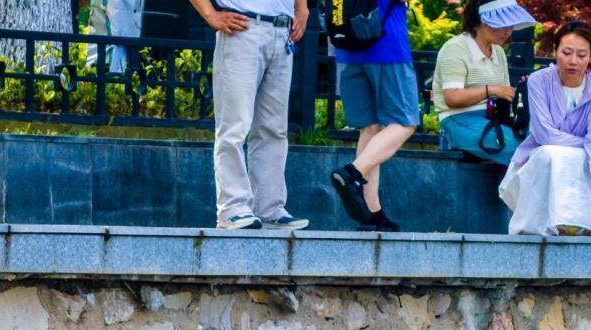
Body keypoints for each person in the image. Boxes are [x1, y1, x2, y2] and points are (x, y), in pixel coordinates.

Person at [190, 0, 311, 231]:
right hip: (242, 27)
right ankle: (232, 208)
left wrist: (301, 7)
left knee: (274, 128)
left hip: (282, 31)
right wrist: (210, 15)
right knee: (234, 126)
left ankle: (270, 209)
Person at [501, 22, 591, 237]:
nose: (573, 61)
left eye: (581, 54)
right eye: (566, 52)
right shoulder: (538, 81)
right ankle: (536, 227)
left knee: (585, 158)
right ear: (555, 51)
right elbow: (545, 135)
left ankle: (584, 226)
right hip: (541, 152)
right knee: (552, 153)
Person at [328, 0, 418, 232]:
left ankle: (372, 213)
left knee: (370, 128)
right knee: (405, 122)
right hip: (387, 46)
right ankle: (352, 173)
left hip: (348, 48)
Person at [432, 0, 536, 165]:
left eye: (511, 26)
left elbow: (504, 96)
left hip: (494, 118)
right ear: (480, 21)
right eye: (502, 25)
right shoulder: (456, 48)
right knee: (523, 151)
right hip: (458, 120)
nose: (508, 32)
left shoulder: (498, 52)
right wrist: (492, 90)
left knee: (540, 142)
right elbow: (452, 97)